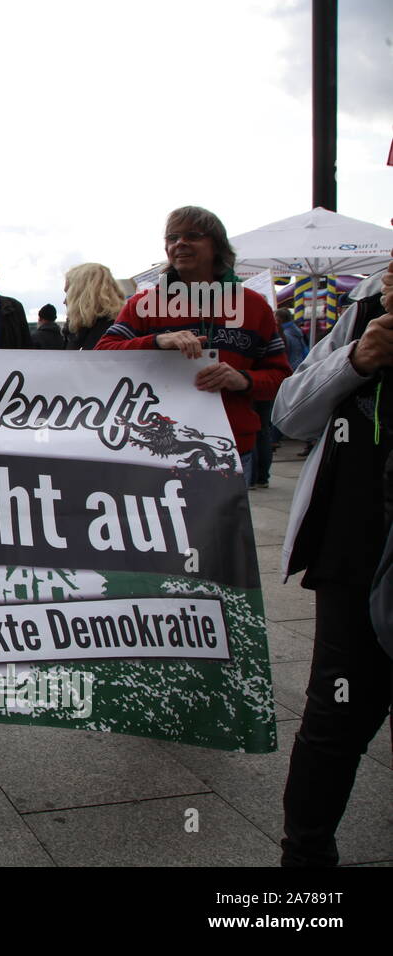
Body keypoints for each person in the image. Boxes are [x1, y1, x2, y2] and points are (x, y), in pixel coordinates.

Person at [275, 265, 393, 867]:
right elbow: (290, 412)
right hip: (355, 550)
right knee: (336, 714)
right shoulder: (366, 309)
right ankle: (306, 861)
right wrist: (358, 357)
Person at [95, 206, 290, 484]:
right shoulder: (143, 304)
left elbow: (281, 377)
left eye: (192, 235)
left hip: (230, 448)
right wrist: (156, 341)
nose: (180, 243)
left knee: (223, 529)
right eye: (172, 238)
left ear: (217, 246)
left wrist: (243, 380)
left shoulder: (254, 306)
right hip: (156, 448)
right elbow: (102, 354)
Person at [63, 262, 125, 351]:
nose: (64, 302)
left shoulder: (109, 337)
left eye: (68, 294)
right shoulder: (79, 331)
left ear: (82, 295)